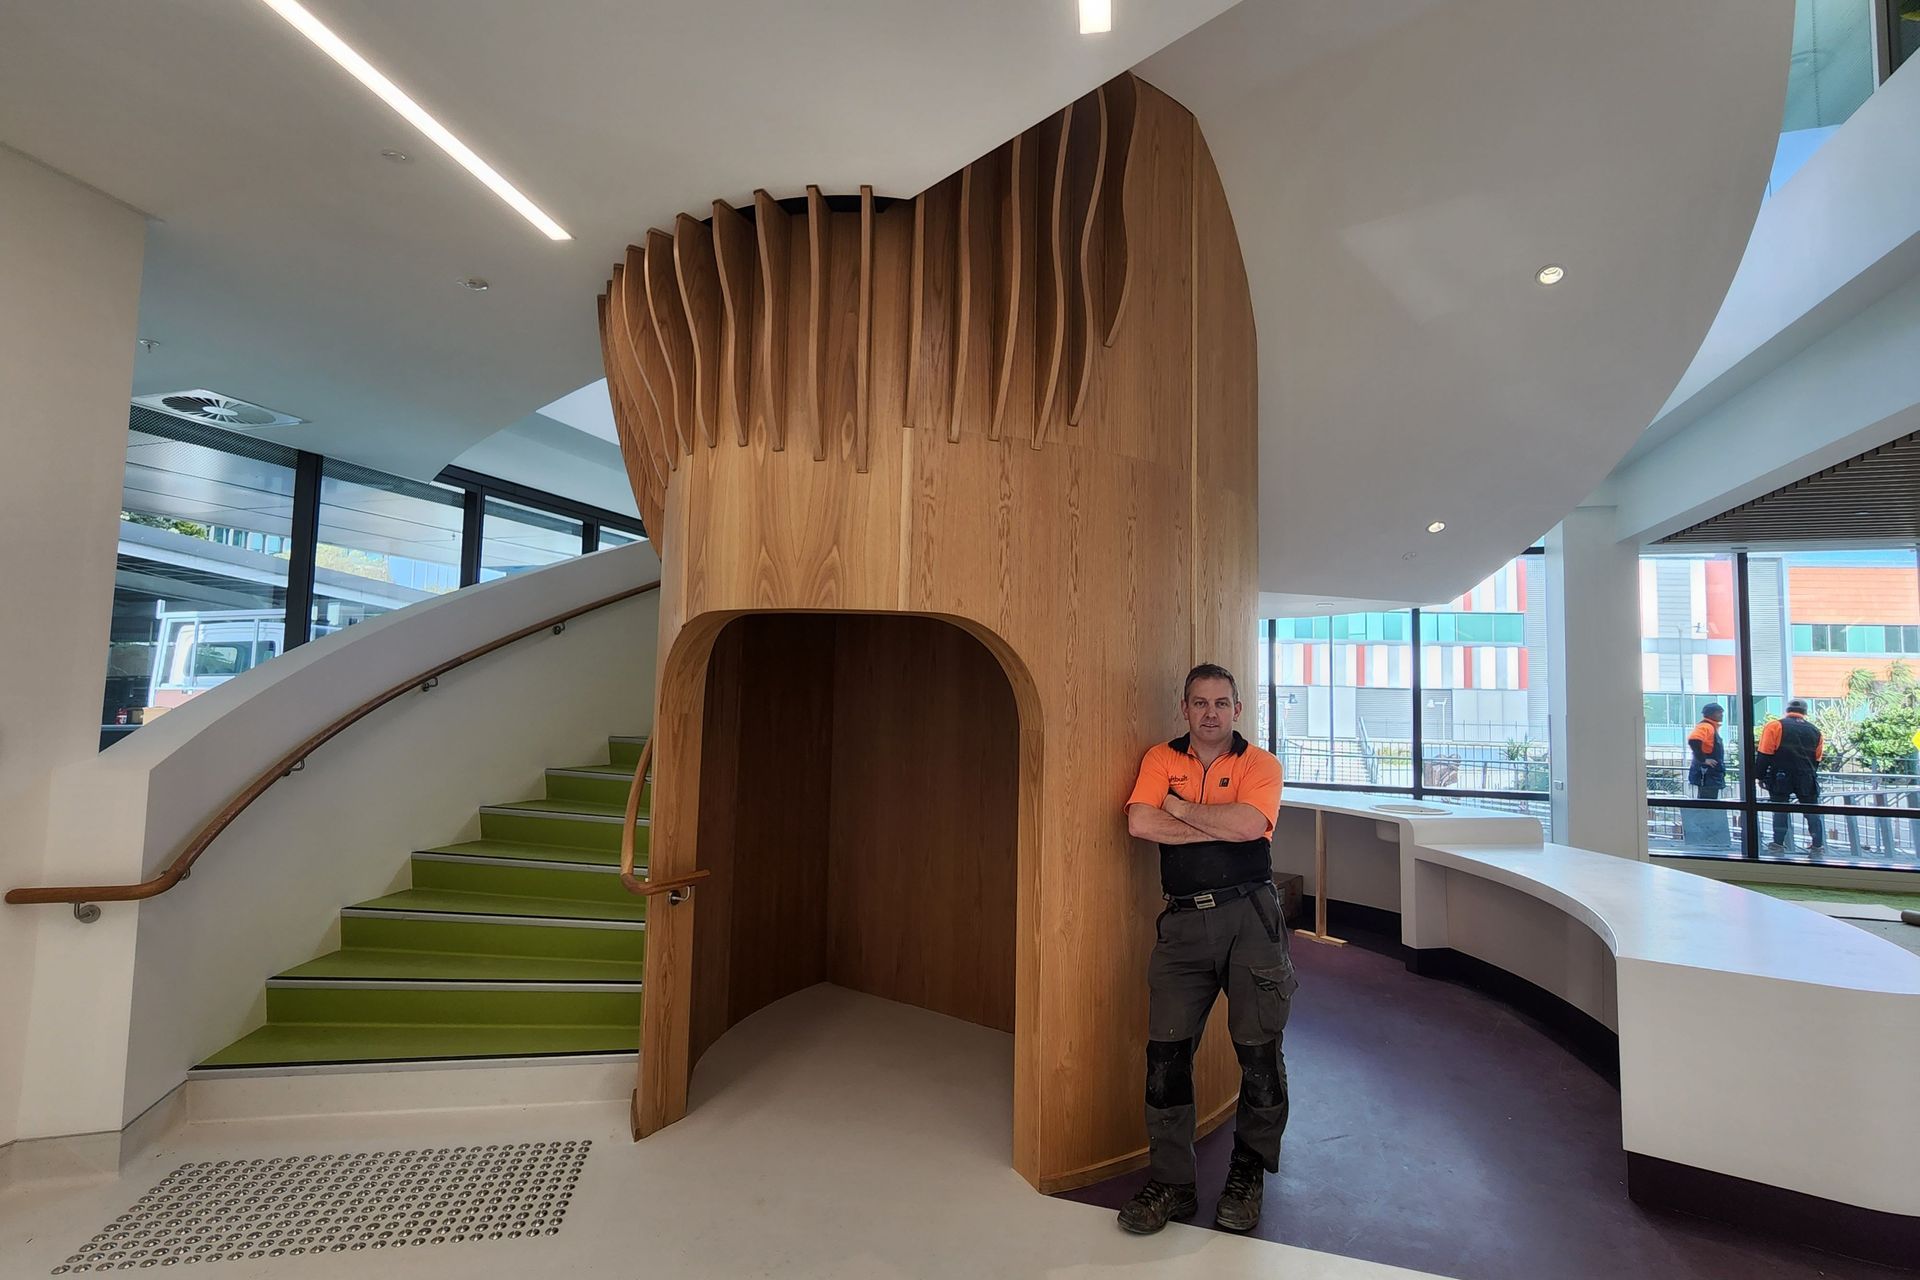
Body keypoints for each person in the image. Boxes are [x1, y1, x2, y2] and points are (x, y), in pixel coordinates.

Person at [1117, 663, 1291, 1236]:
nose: (1210, 713)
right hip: (1183, 927)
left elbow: (1248, 826)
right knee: (1165, 1060)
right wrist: (1215, 824)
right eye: (1199, 703)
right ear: (1184, 708)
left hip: (1252, 919)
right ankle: (1173, 1184)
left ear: (1237, 710)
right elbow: (1141, 823)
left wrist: (1183, 810)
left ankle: (1248, 1172)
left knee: (1258, 1056)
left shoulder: (1261, 764)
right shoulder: (1160, 759)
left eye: (1221, 702)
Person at [1757, 699, 1824, 851]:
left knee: (1780, 810)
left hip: (1781, 775)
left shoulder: (1775, 726)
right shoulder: (1815, 731)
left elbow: (1764, 753)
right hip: (1807, 776)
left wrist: (1760, 776)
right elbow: (1817, 758)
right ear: (1805, 713)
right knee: (1812, 812)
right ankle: (1817, 845)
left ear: (1787, 711)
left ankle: (1778, 844)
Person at [1681, 703, 1730, 850]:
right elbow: (1694, 740)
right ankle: (1705, 836)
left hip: (1709, 773)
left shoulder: (1711, 727)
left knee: (1707, 802)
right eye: (1719, 712)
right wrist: (1704, 759)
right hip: (1707, 773)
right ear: (1711, 713)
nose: (1722, 715)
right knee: (1707, 803)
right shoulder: (1706, 727)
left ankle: (1705, 835)